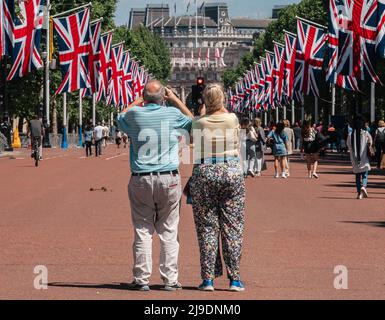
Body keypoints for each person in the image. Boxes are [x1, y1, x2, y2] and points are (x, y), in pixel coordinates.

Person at [117, 80, 194, 291]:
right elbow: (191, 120)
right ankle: (170, 279)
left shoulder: (135, 115)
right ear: (163, 97)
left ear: (144, 97)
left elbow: (119, 117)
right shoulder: (172, 114)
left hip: (141, 177)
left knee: (142, 230)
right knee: (169, 231)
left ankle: (141, 279)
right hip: (168, 177)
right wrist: (176, 98)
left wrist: (137, 100)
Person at [190, 83, 246, 292]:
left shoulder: (200, 122)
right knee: (233, 227)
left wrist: (202, 111)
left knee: (207, 228)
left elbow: (194, 139)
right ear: (223, 98)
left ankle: (208, 279)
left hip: (205, 171)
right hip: (231, 171)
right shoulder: (232, 118)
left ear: (204, 100)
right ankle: (235, 279)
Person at [347, 117, 373, 199]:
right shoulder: (365, 133)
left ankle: (359, 194)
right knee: (364, 175)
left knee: (357, 176)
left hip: (355, 158)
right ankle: (364, 186)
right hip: (364, 157)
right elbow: (370, 141)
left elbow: (349, 145)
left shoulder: (350, 135)